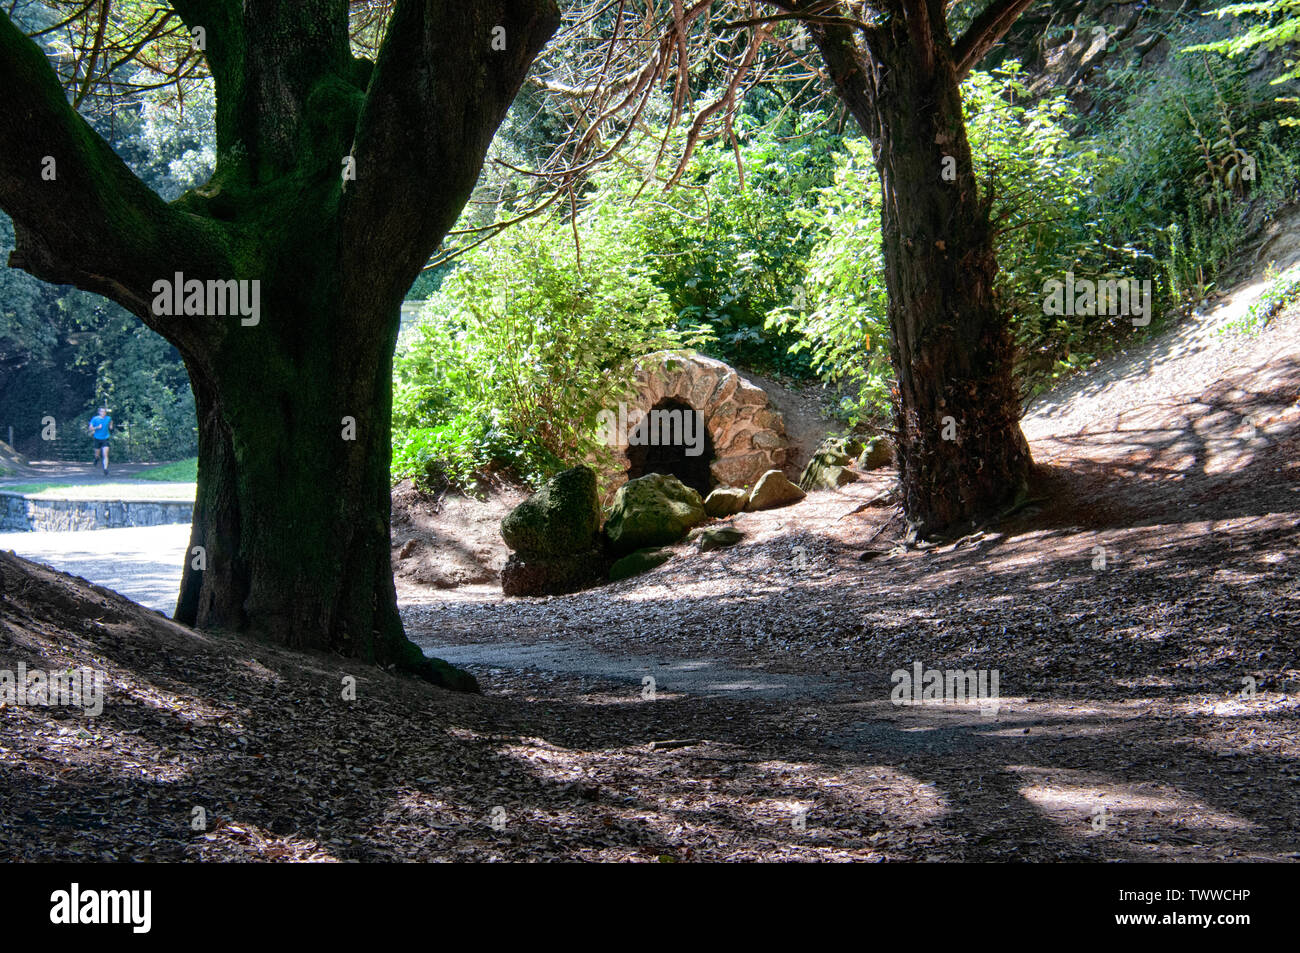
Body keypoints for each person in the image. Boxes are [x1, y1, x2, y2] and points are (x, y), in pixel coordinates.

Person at [87, 406, 113, 475]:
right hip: (97, 438)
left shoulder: (108, 418)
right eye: (101, 411)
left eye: (104, 411)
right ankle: (96, 459)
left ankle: (105, 468)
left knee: (105, 454)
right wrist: (97, 427)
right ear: (99, 412)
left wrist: (111, 426)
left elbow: (111, 421)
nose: (103, 413)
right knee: (97, 455)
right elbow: (90, 428)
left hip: (105, 438)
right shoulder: (95, 419)